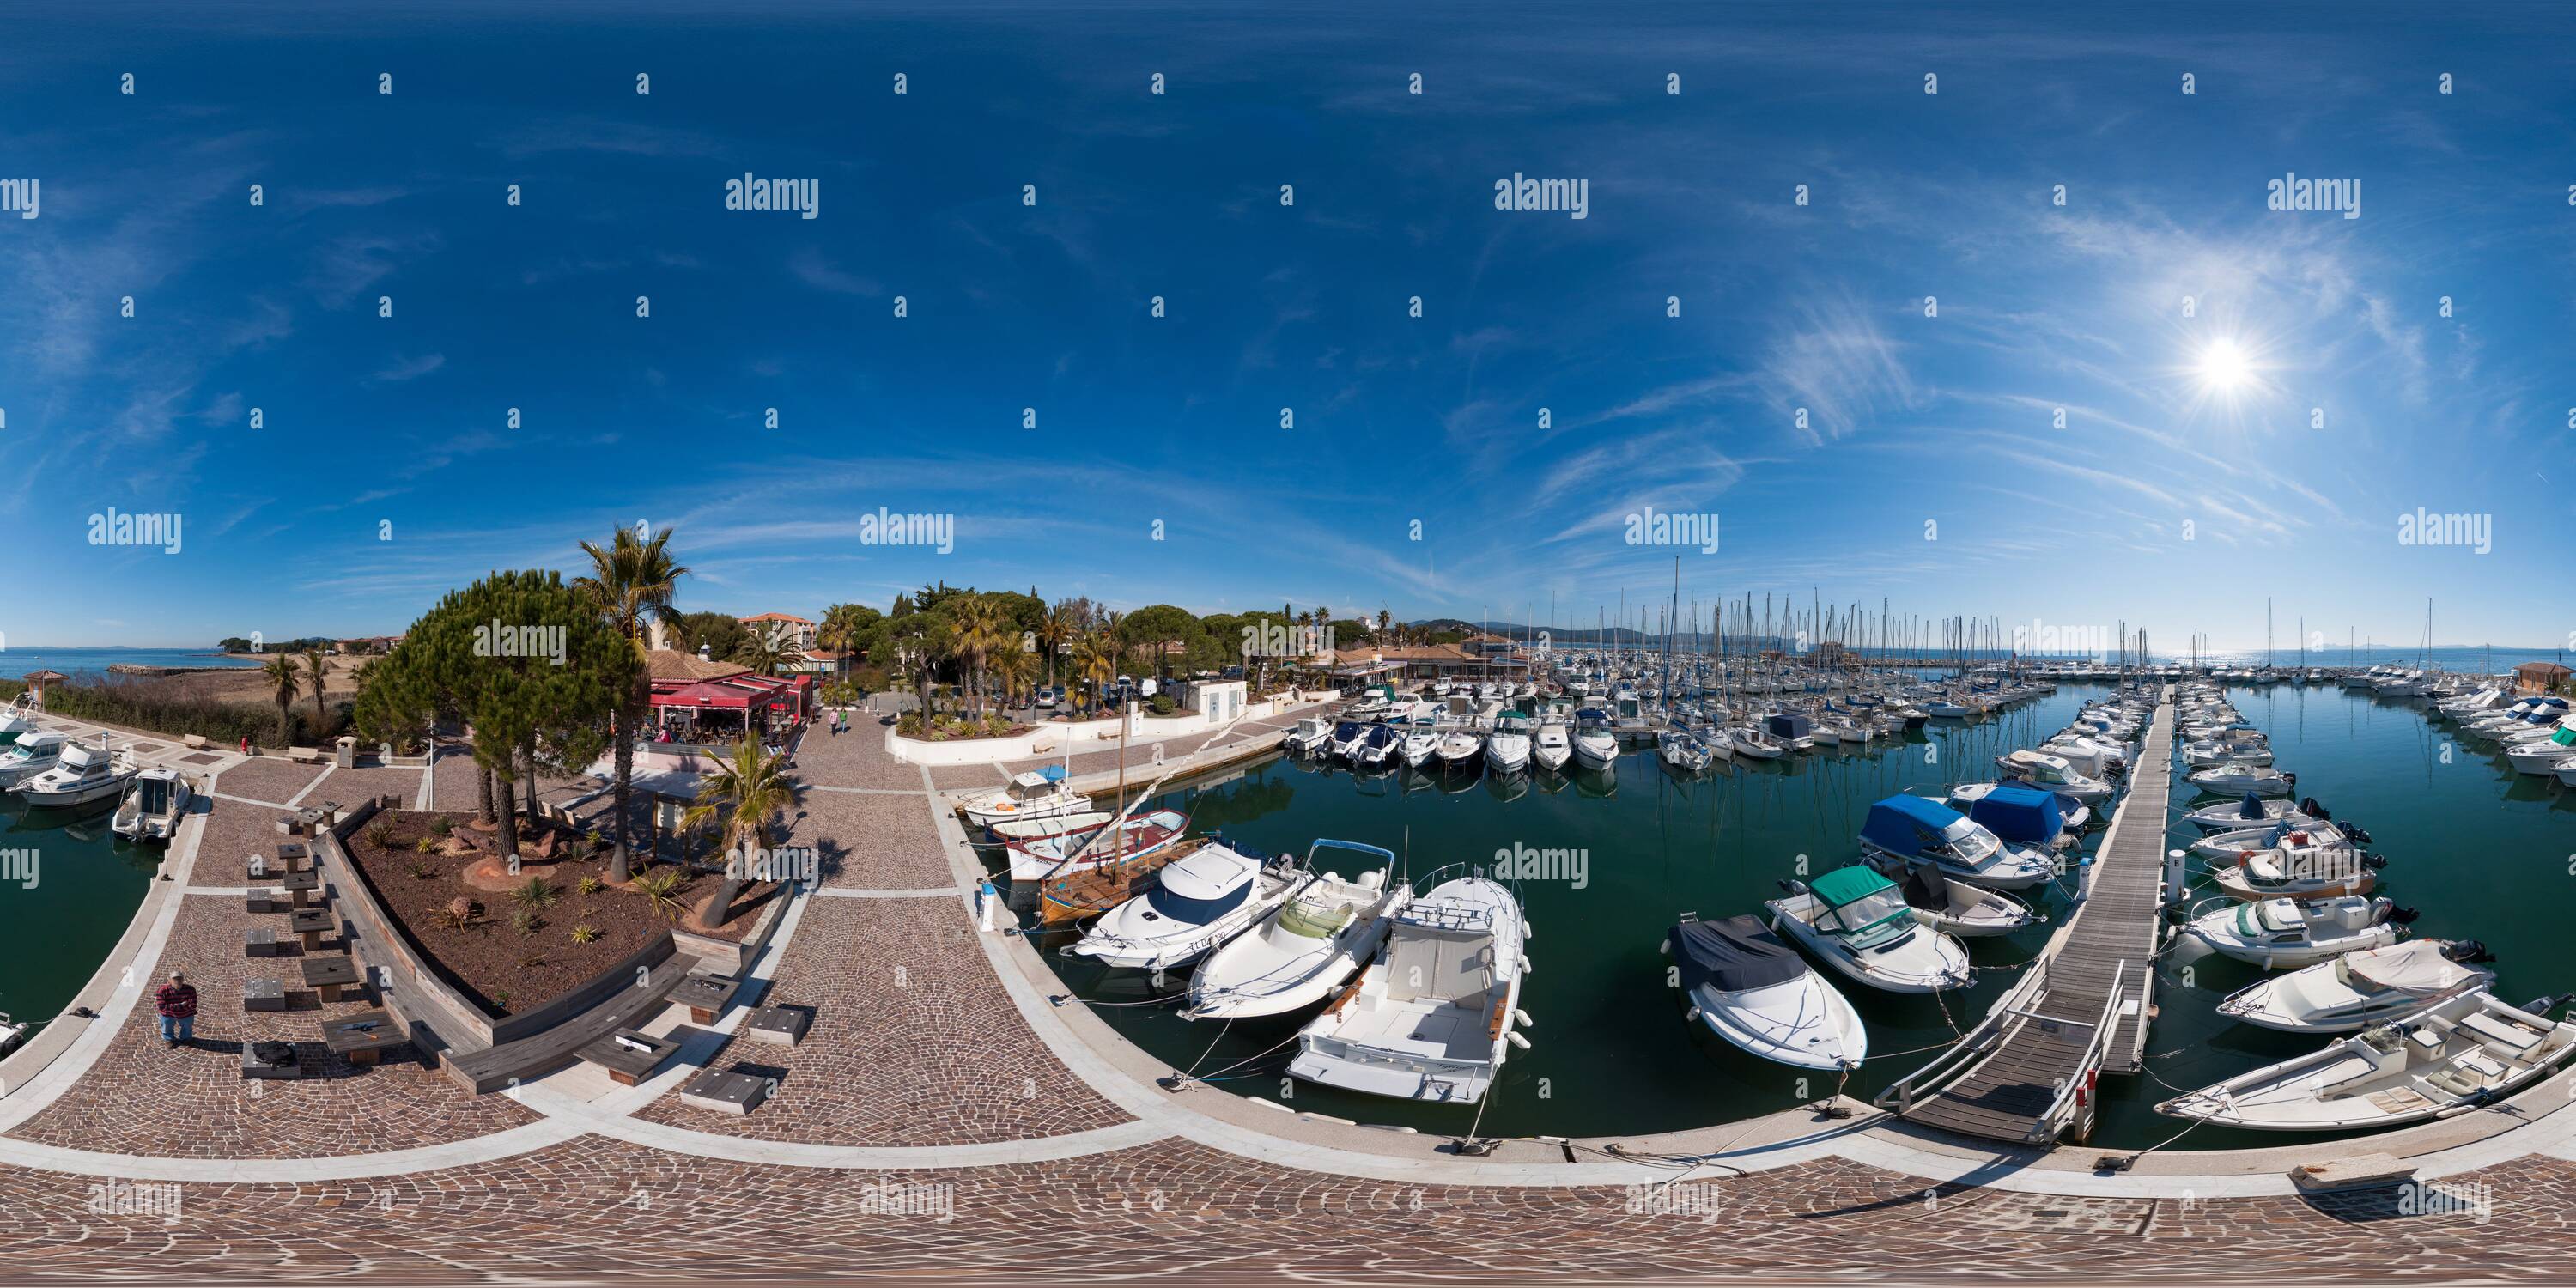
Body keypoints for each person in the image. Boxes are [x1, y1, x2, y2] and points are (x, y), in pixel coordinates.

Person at [154, 970, 198, 1048]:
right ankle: (169, 1039)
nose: (177, 981)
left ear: (183, 980)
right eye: (174, 979)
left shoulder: (190, 989)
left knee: (187, 1027)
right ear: (169, 980)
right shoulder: (162, 990)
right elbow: (161, 1006)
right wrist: (180, 1005)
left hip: (185, 1014)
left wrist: (172, 1007)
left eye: (180, 979)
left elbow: (193, 1005)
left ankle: (186, 1038)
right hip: (168, 1015)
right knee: (167, 1027)